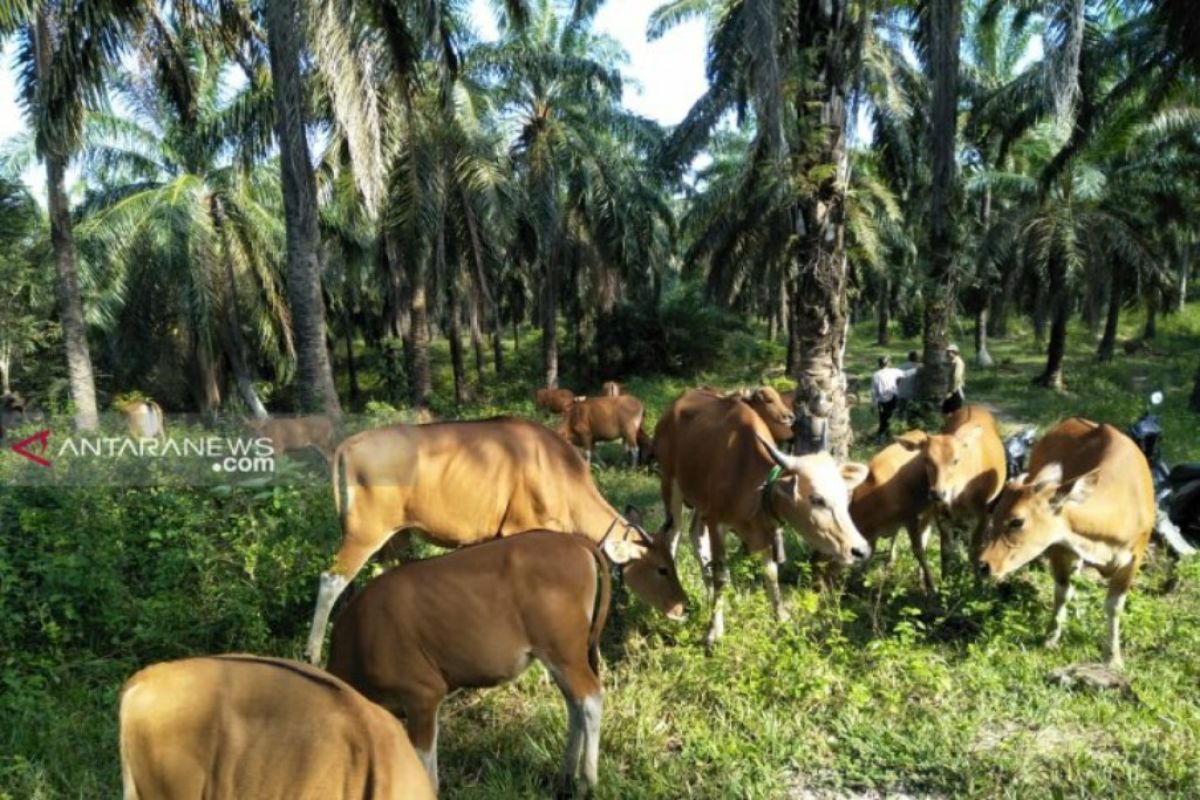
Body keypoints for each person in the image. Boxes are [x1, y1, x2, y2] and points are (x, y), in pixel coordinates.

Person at [870, 356, 904, 440]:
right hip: (893, 397)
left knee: (883, 418)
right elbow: (904, 374)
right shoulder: (894, 371)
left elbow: (873, 391)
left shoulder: (876, 375)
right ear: (888, 363)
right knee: (891, 417)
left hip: (881, 400)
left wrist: (873, 403)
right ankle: (887, 435)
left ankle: (882, 435)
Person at [896, 350, 920, 420]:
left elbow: (897, 380)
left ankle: (898, 426)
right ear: (916, 358)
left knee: (900, 412)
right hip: (912, 394)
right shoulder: (919, 367)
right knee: (912, 413)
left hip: (901, 392)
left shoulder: (901, 366)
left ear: (908, 358)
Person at [942, 343, 965, 414]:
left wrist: (951, 391)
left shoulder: (958, 363)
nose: (947, 353)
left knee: (955, 411)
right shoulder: (952, 361)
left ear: (955, 352)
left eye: (949, 351)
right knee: (946, 409)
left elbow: (957, 377)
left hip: (955, 389)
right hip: (951, 388)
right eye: (947, 351)